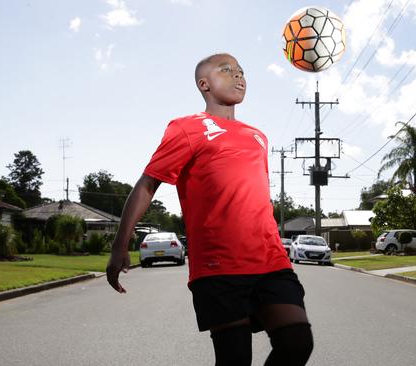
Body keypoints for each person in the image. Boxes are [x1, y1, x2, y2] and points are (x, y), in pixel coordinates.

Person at [106, 53, 314, 366]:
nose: (238, 76)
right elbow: (147, 184)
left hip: (271, 260)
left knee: (297, 343)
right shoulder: (187, 128)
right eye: (226, 70)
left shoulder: (258, 136)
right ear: (204, 84)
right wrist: (120, 245)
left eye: (242, 71)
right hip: (220, 265)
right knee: (235, 359)